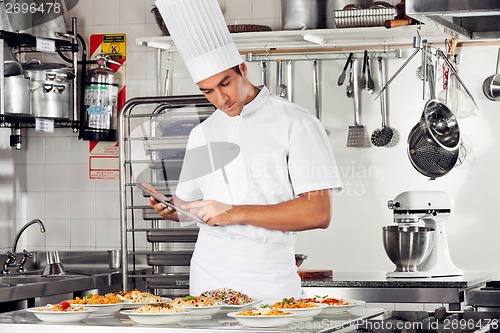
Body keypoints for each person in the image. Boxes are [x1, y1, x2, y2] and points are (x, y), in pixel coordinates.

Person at [151, 0, 343, 300]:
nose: (220, 98)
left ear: (243, 69)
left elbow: (318, 212)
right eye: (207, 91)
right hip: (207, 280)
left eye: (225, 83)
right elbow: (190, 210)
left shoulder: (297, 124)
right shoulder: (203, 133)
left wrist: (233, 213)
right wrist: (172, 209)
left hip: (268, 283)